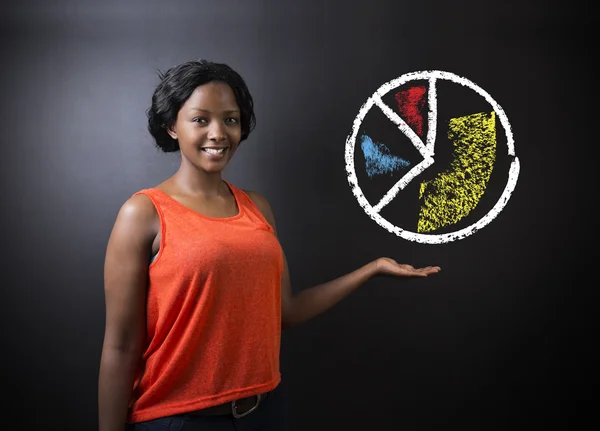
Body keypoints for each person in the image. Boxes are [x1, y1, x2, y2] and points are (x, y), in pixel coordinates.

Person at [98, 59, 441, 431]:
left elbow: (286, 311)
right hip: (178, 421)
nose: (218, 133)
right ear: (172, 127)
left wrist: (371, 269)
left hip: (264, 412)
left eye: (230, 119)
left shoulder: (257, 208)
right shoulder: (144, 212)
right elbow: (120, 347)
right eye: (200, 120)